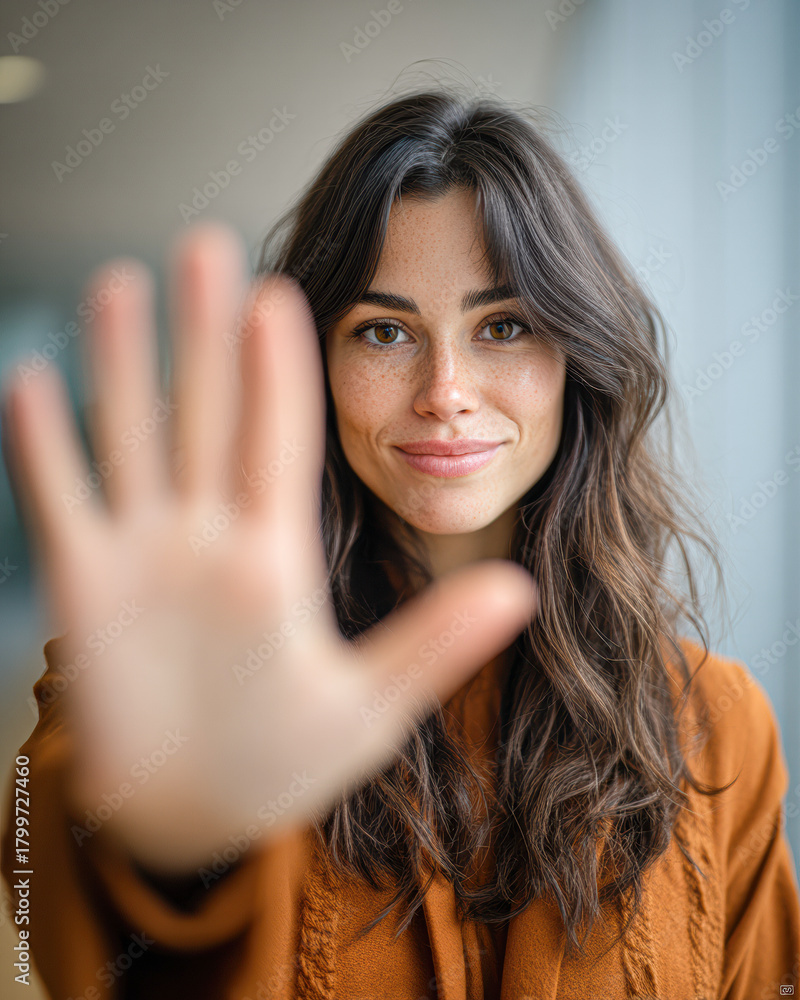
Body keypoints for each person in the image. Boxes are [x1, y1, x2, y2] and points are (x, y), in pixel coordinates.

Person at [1, 84, 798, 1000]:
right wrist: (169, 853)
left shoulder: (721, 725)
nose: (445, 390)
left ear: (579, 357)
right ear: (312, 365)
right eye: (384, 332)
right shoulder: (202, 670)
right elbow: (45, 868)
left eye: (503, 326)